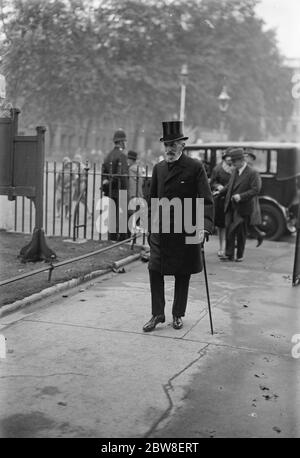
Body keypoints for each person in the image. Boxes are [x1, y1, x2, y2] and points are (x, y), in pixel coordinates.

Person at [143, 121, 214, 332]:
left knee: (182, 274)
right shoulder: (159, 169)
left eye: (173, 144)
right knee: (155, 270)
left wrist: (204, 227)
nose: (169, 148)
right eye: (166, 144)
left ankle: (177, 314)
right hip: (161, 233)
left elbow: (206, 199)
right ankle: (157, 314)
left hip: (186, 231)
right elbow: (153, 201)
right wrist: (149, 227)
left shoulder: (195, 167)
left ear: (182, 145)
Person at [216, 148, 261, 262]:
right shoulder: (235, 171)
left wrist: (241, 196)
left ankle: (239, 255)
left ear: (241, 160)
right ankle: (229, 254)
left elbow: (256, 189)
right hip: (231, 206)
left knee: (241, 232)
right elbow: (229, 186)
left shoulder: (252, 173)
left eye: (234, 161)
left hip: (243, 207)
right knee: (229, 229)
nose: (232, 163)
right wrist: (219, 192)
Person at [102, 129, 129, 240]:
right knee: (122, 216)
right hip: (120, 190)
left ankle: (112, 237)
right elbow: (121, 175)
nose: (126, 143)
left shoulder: (108, 155)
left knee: (112, 215)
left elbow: (104, 173)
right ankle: (122, 238)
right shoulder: (122, 155)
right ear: (121, 142)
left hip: (110, 191)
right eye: (125, 141)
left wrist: (107, 183)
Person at [210, 151, 233, 257]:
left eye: (231, 158)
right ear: (224, 158)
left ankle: (229, 248)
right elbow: (212, 182)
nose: (230, 160)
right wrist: (218, 186)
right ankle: (221, 247)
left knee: (231, 225)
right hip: (221, 200)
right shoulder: (217, 169)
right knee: (221, 225)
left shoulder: (235, 169)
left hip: (232, 200)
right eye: (228, 158)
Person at [244, 149, 265, 247]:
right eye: (245, 156)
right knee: (245, 223)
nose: (246, 158)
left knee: (248, 222)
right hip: (243, 199)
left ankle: (259, 235)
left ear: (252, 159)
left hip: (249, 199)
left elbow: (256, 188)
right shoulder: (243, 169)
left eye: (248, 157)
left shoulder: (253, 171)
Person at [127, 150, 144, 235]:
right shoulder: (138, 169)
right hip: (139, 194)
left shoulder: (131, 169)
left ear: (130, 160)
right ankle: (136, 227)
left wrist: (132, 195)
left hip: (134, 194)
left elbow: (132, 184)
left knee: (132, 212)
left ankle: (133, 228)